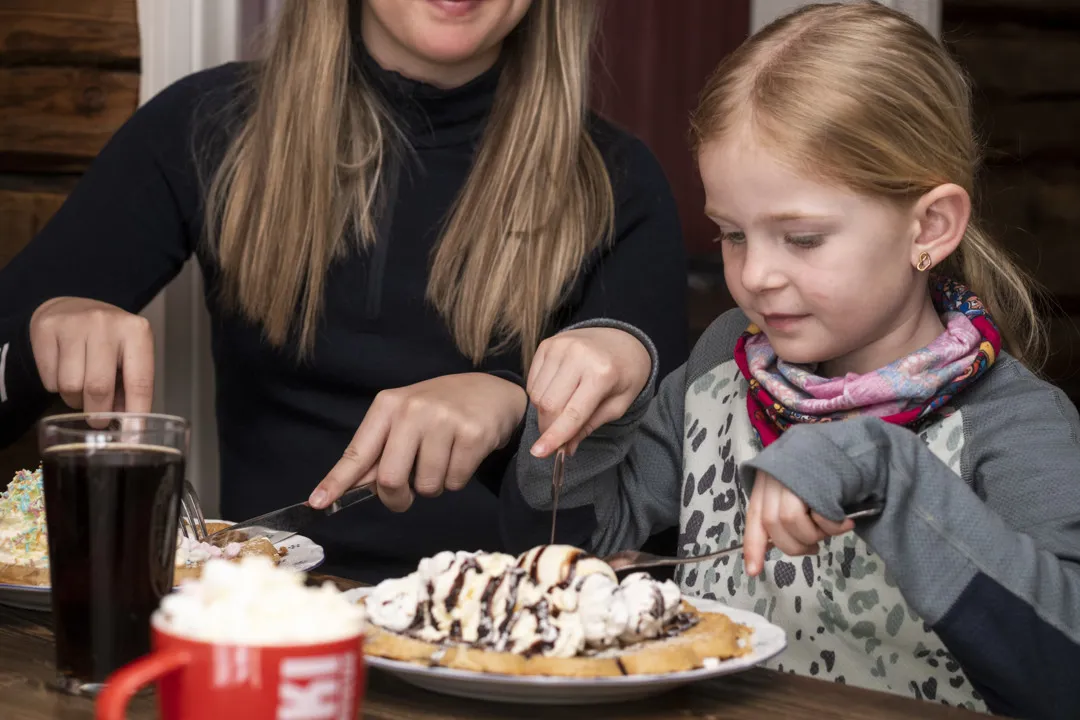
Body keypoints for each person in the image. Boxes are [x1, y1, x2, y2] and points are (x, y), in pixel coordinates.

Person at [502, 3, 1080, 717]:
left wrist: (879, 466)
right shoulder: (722, 368)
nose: (757, 276)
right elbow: (590, 541)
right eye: (733, 235)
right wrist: (581, 417)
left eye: (801, 238)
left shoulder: (1012, 424)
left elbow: (1064, 674)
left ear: (929, 226)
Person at [0, 0, 688, 582]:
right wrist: (44, 332)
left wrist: (517, 411)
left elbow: (630, 535)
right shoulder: (207, 124)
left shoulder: (617, 185)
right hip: (269, 627)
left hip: (508, 644)